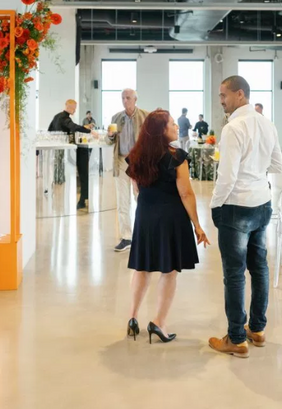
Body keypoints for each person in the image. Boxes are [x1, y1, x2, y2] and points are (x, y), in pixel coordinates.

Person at [209, 76, 282, 358]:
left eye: (224, 95)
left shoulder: (233, 128)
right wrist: (255, 171)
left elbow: (227, 177)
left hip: (236, 207)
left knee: (234, 273)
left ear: (240, 94)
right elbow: (277, 164)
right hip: (262, 203)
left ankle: (237, 339)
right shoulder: (267, 124)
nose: (221, 100)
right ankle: (258, 329)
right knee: (259, 268)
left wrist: (215, 205)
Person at [125, 109, 209, 344]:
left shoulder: (136, 156)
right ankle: (159, 323)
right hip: (171, 217)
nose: (176, 127)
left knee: (142, 268)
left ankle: (132, 318)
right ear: (161, 130)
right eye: (172, 124)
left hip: (145, 216)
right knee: (169, 271)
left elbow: (137, 189)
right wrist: (197, 225)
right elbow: (186, 193)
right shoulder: (176, 156)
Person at [107, 89, 149, 252]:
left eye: (128, 98)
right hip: (121, 162)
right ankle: (126, 237)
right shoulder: (116, 118)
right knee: (122, 201)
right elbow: (109, 141)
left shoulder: (145, 116)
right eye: (123, 98)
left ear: (135, 99)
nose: (125, 101)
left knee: (142, 199)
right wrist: (110, 136)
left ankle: (143, 234)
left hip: (139, 163)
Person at [48, 99, 98, 209]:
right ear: (69, 107)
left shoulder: (57, 117)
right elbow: (73, 127)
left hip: (59, 149)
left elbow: (50, 130)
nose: (75, 110)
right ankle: (81, 198)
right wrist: (90, 131)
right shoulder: (65, 118)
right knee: (80, 172)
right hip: (68, 151)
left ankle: (79, 197)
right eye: (74, 108)